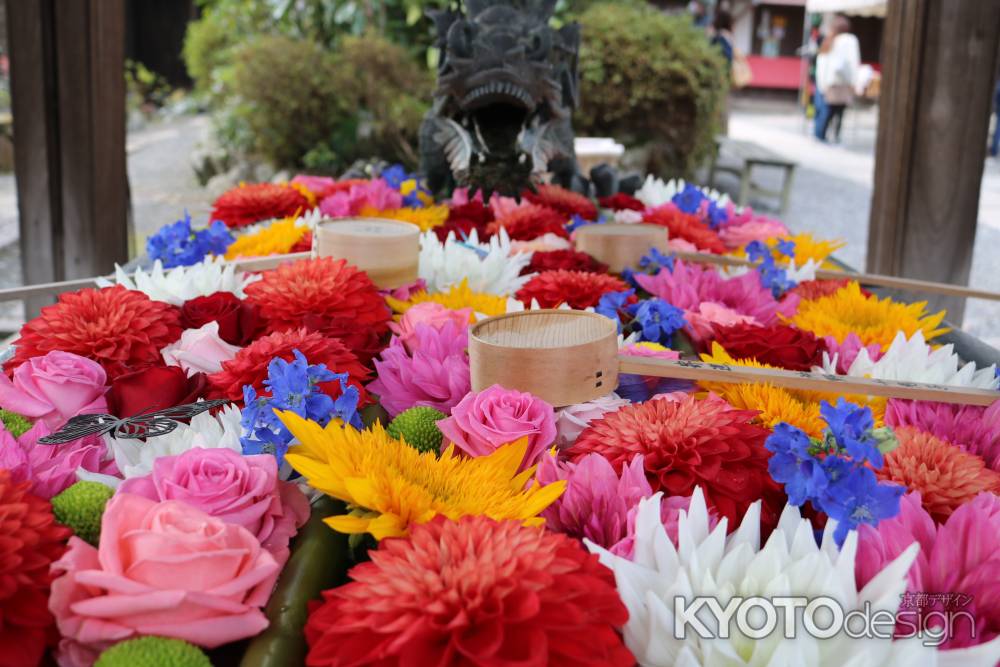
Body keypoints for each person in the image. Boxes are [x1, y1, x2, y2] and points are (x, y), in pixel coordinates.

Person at [815, 14, 860, 143]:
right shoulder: (849, 40)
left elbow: (822, 63)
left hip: (830, 83)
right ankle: (835, 136)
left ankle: (821, 135)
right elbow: (852, 62)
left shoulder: (829, 40)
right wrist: (853, 81)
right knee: (839, 113)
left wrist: (822, 83)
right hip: (843, 83)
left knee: (828, 111)